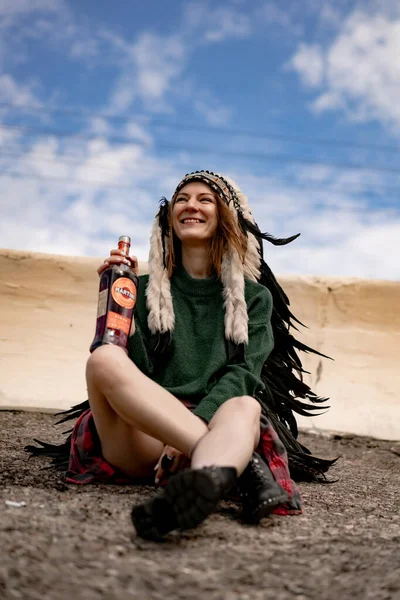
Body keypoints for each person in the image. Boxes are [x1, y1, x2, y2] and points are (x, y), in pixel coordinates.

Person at [27, 170, 335, 542]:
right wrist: (117, 305)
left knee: (246, 406)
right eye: (182, 199)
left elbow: (244, 374)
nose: (191, 205)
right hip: (142, 436)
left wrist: (191, 433)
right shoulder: (136, 289)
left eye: (205, 199)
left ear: (225, 217)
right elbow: (131, 375)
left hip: (213, 434)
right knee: (104, 359)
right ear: (168, 218)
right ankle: (240, 469)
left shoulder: (254, 299)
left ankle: (196, 491)